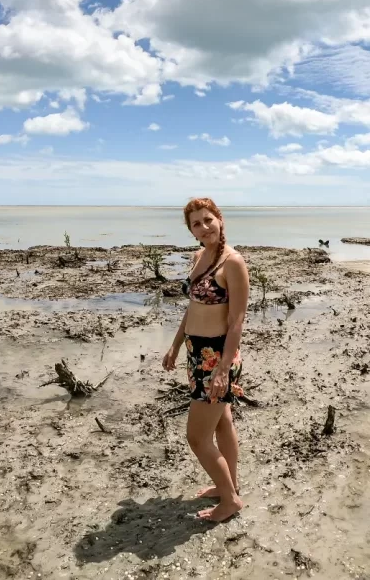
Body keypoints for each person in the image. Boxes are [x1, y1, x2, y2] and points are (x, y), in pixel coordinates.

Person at [162, 197, 249, 522]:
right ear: (192, 231)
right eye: (196, 223)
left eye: (208, 219)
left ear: (220, 220)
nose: (204, 227)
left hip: (217, 357)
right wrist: (175, 345)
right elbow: (194, 308)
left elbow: (236, 320)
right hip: (196, 352)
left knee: (197, 438)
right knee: (222, 422)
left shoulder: (233, 262)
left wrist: (223, 370)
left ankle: (230, 502)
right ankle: (229, 485)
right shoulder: (199, 256)